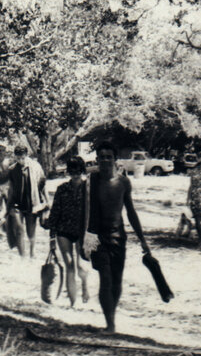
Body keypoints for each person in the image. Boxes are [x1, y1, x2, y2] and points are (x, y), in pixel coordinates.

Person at [82, 140, 152, 334]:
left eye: (109, 157)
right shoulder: (91, 181)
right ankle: (110, 324)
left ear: (114, 160)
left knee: (117, 281)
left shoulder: (123, 182)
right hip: (97, 238)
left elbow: (131, 212)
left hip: (118, 237)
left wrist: (143, 240)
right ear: (97, 159)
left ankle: (110, 317)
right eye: (101, 157)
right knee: (105, 279)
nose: (105, 160)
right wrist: (82, 239)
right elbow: (83, 211)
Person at [44, 156, 92, 306]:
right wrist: (52, 237)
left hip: (82, 231)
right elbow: (55, 213)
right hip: (63, 230)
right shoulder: (62, 189)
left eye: (78, 171)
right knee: (69, 265)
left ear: (82, 171)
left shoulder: (89, 189)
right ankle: (73, 302)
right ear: (68, 172)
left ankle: (84, 286)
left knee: (80, 266)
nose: (75, 174)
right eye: (72, 171)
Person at [5, 144, 47, 258]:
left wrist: (46, 203)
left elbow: (43, 185)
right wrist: (8, 207)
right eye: (18, 158)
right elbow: (11, 189)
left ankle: (32, 252)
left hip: (31, 202)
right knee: (18, 229)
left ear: (26, 155)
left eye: (22, 158)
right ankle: (22, 255)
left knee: (30, 231)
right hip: (17, 203)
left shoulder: (36, 166)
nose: (20, 160)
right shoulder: (12, 169)